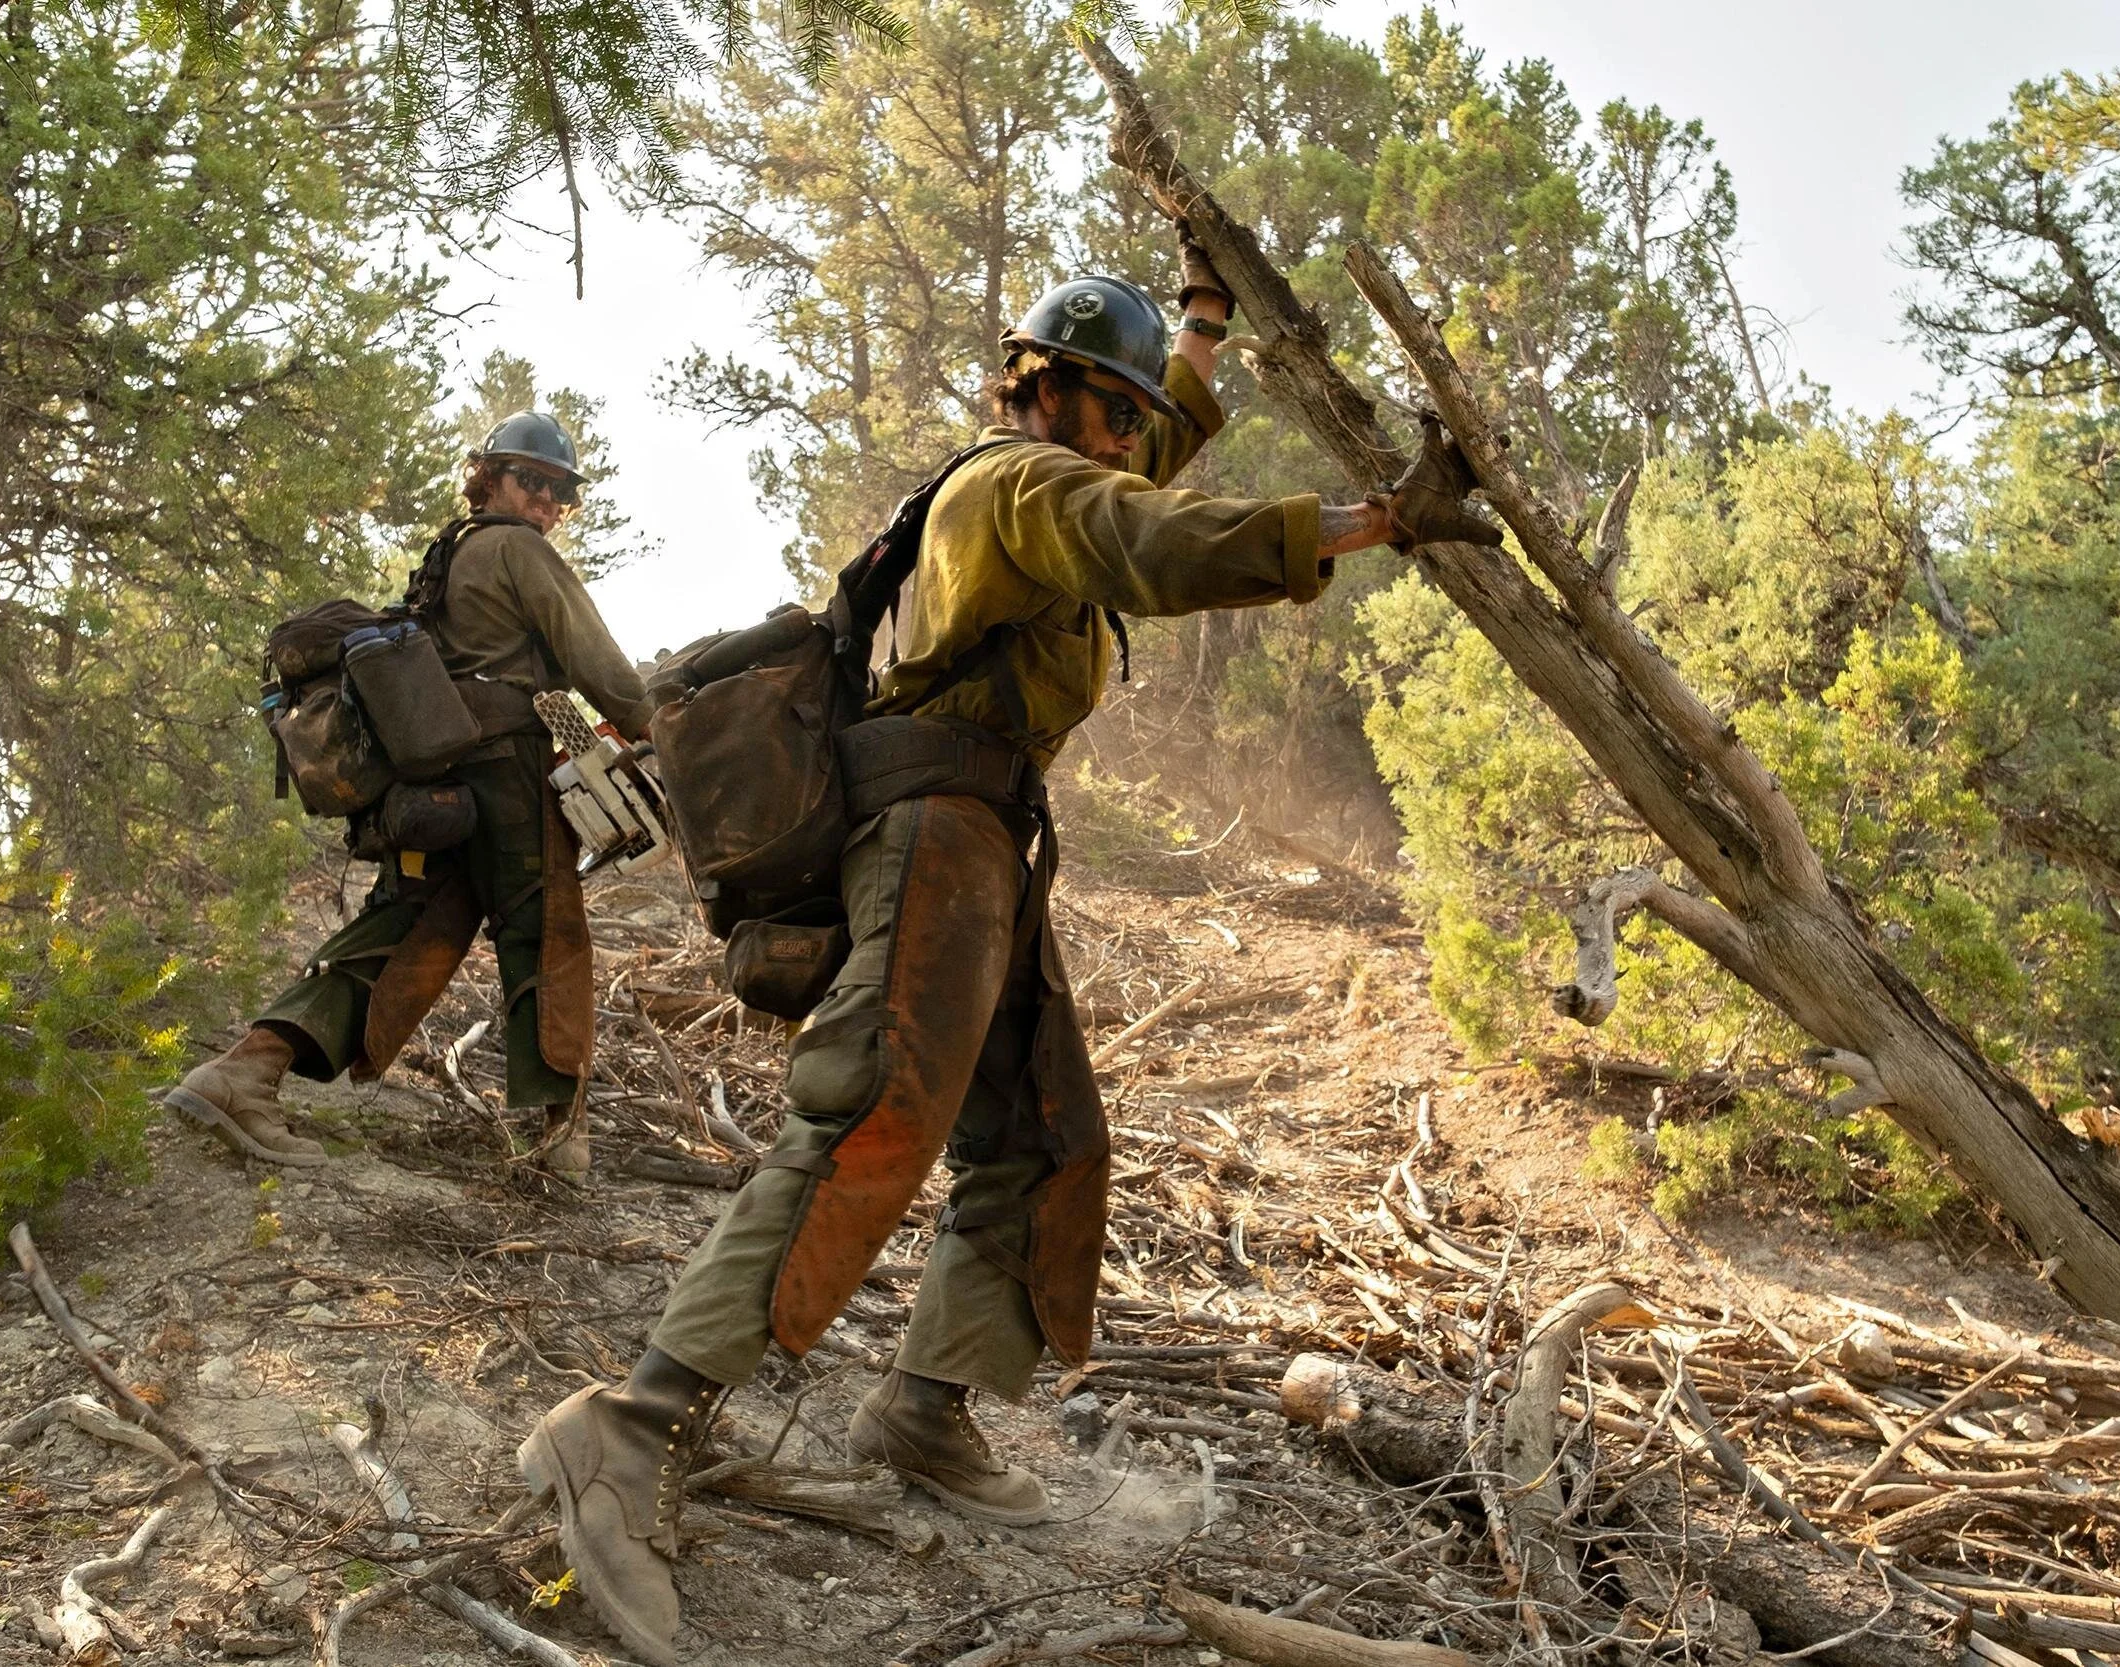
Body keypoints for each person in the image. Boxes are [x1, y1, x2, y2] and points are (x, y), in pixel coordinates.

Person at [515, 240, 1499, 1666]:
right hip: (934, 830)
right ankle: (631, 1423)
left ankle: (923, 1409)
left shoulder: (1058, 472)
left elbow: (1151, 455)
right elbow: (1160, 539)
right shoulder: (1019, 484)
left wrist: (1203, 319)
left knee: (1042, 1135)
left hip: (983, 844)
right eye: (1113, 410)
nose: (1132, 438)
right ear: (1043, 390)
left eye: (1137, 417)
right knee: (869, 1113)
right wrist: (1382, 519)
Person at [164, 413, 656, 1178]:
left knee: (407, 930)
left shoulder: (447, 554)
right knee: (546, 929)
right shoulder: (518, 548)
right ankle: (562, 1137)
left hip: (444, 785)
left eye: (561, 492)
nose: (547, 501)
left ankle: (245, 1070)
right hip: (510, 775)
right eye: (532, 480)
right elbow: (602, 666)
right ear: (487, 478)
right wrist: (663, 731)